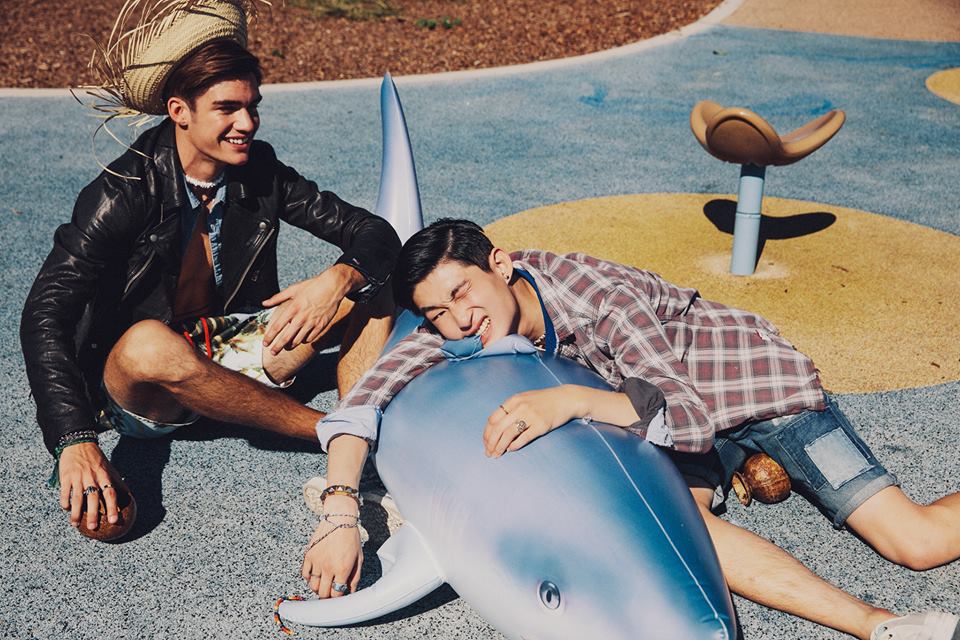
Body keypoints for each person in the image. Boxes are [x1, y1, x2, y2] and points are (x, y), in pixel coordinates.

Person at [302, 218, 959, 640]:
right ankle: (878, 624)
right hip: (660, 417)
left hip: (755, 390)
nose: (458, 320)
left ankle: (762, 463)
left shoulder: (600, 297)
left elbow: (687, 415)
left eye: (461, 293)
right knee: (684, 536)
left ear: (500, 264)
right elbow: (365, 402)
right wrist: (340, 512)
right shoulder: (462, 326)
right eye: (436, 314)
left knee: (917, 542)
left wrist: (571, 402)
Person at [20, 0, 399, 537]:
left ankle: (352, 430)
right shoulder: (122, 193)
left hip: (228, 343)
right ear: (180, 111)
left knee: (375, 284)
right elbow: (44, 313)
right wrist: (73, 439)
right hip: (144, 386)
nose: (247, 124)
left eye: (252, 107)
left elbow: (374, 233)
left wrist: (338, 279)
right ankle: (339, 433)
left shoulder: (259, 169)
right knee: (110, 508)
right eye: (227, 109)